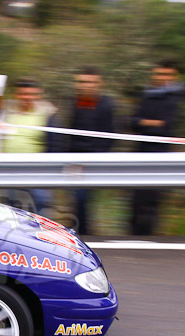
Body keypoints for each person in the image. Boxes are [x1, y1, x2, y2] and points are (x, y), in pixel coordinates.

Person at [129, 60, 185, 235]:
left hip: (161, 154)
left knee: (152, 200)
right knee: (136, 199)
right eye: (159, 74)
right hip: (141, 153)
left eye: (167, 74)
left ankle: (147, 236)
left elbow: (167, 126)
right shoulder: (147, 95)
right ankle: (133, 236)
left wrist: (144, 123)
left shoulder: (175, 98)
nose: (162, 78)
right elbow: (132, 122)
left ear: (175, 76)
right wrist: (152, 123)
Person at [0, 78, 62, 214]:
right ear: (16, 95)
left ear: (38, 95)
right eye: (22, 94)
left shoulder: (46, 114)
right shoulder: (7, 112)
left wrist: (49, 167)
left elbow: (55, 143)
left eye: (31, 94)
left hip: (36, 169)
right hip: (10, 167)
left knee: (41, 202)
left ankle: (41, 227)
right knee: (12, 205)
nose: (26, 98)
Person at [67, 67, 115, 235]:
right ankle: (80, 231)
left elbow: (110, 136)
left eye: (90, 82)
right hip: (74, 160)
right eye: (81, 82)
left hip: (94, 161)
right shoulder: (73, 104)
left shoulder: (106, 105)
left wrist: (97, 160)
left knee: (83, 199)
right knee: (76, 200)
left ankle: (85, 233)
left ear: (99, 84)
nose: (85, 85)